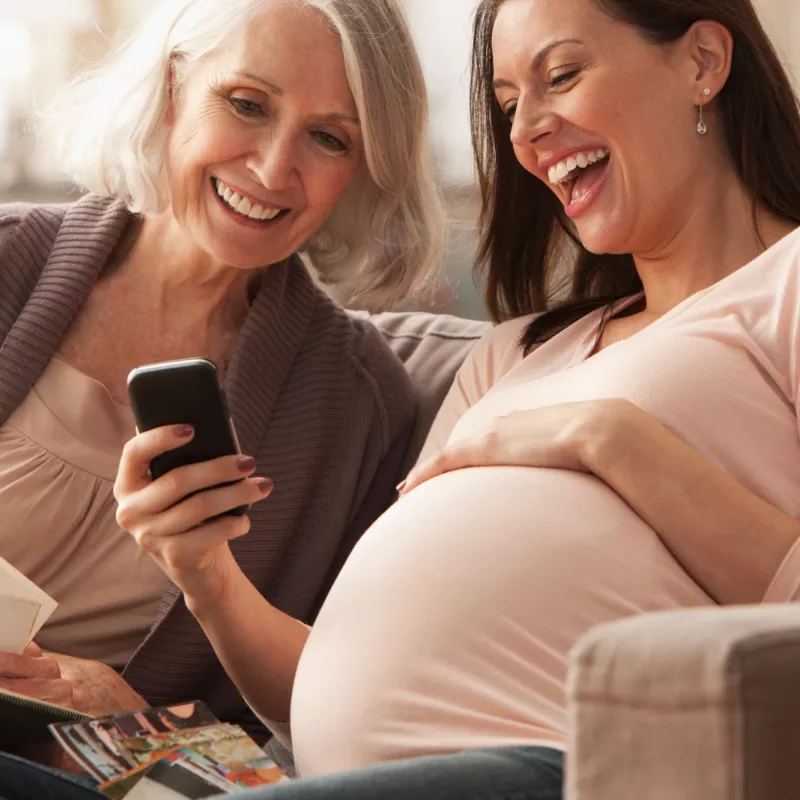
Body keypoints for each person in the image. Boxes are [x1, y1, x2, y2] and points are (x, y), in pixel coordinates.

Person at [4, 0, 800, 798]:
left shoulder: (787, 282)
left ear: (702, 63)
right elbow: (336, 673)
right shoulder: (513, 355)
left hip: (541, 765)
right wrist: (205, 572)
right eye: (510, 105)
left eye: (561, 76)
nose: (527, 133)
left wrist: (611, 440)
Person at [0, 0, 441, 757]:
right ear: (174, 88)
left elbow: (340, 715)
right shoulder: (10, 262)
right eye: (246, 104)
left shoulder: (358, 406)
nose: (274, 170)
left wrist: (123, 712)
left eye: (328, 139)